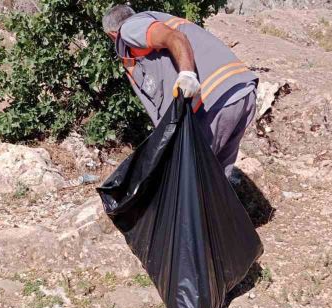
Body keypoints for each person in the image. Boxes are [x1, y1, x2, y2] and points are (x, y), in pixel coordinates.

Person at [102, 4, 258, 178]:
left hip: (214, 101)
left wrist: (187, 74)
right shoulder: (155, 21)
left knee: (186, 176)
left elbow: (174, 37)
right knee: (215, 181)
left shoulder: (130, 29)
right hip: (241, 92)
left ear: (112, 34)